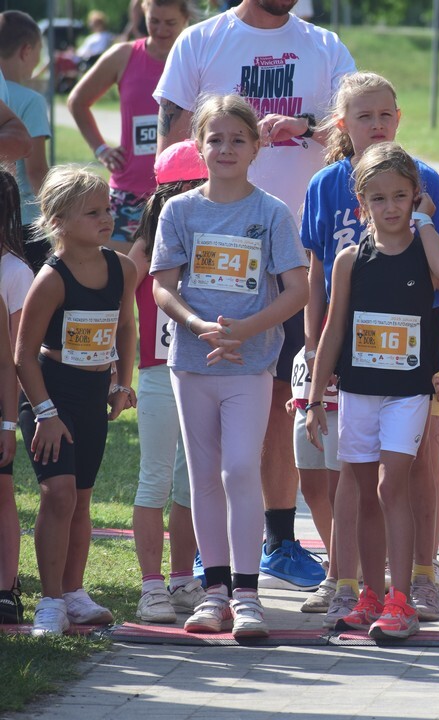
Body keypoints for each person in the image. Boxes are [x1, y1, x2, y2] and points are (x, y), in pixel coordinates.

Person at [155, 0, 355, 595]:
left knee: (280, 409)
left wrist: (305, 127)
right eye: (218, 140)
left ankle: (278, 541)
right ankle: (212, 558)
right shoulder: (201, 40)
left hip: (298, 256)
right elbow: (169, 145)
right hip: (208, 272)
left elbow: (357, 130)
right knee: (211, 442)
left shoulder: (325, 46)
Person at [300, 71, 439, 626]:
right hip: (357, 379)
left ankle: (413, 584)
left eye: (384, 114)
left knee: (405, 477)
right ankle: (358, 588)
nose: (375, 124)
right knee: (357, 480)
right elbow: (326, 307)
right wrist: (313, 385)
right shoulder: (340, 225)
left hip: (414, 377)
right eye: (363, 115)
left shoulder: (424, 195)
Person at [151, 94, 309, 638]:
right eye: (215, 139)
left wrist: (245, 329)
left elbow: (297, 290)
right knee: (203, 477)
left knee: (240, 469)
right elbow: (162, 286)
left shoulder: (271, 212)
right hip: (192, 364)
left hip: (251, 364)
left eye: (238, 139)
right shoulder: (179, 210)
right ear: (198, 146)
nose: (226, 148)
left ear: (256, 146)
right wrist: (199, 325)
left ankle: (247, 594)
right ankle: (214, 592)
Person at [17, 166, 138, 636]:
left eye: (107, 208)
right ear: (58, 221)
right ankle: (50, 602)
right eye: (92, 213)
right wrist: (45, 414)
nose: (106, 218)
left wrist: (120, 383)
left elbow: (124, 326)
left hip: (92, 395)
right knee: (59, 493)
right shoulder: (51, 278)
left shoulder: (122, 267)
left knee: (82, 498)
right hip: (50, 393)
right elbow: (23, 355)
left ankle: (74, 593)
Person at [129, 140, 208, 624]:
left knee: (191, 483)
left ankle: (182, 580)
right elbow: (119, 290)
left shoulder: (216, 234)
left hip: (200, 370)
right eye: (193, 188)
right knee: (155, 479)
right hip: (158, 374)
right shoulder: (146, 245)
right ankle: (151, 586)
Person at [68, 0, 192, 252]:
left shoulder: (195, 58)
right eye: (154, 21)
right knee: (117, 271)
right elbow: (77, 101)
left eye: (170, 22)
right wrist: (101, 149)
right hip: (129, 192)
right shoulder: (124, 55)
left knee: (171, 273)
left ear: (185, 19)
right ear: (143, 14)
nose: (161, 30)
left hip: (182, 189)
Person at [0, 170, 24, 624]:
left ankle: (6, 587)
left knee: (3, 493)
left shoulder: (17, 274)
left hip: (3, 403)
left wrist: (9, 421)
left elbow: (15, 360)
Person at [0, 12, 49, 233]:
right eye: (40, 50)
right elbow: (36, 171)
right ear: (27, 51)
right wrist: (56, 213)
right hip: (25, 220)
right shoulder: (31, 101)